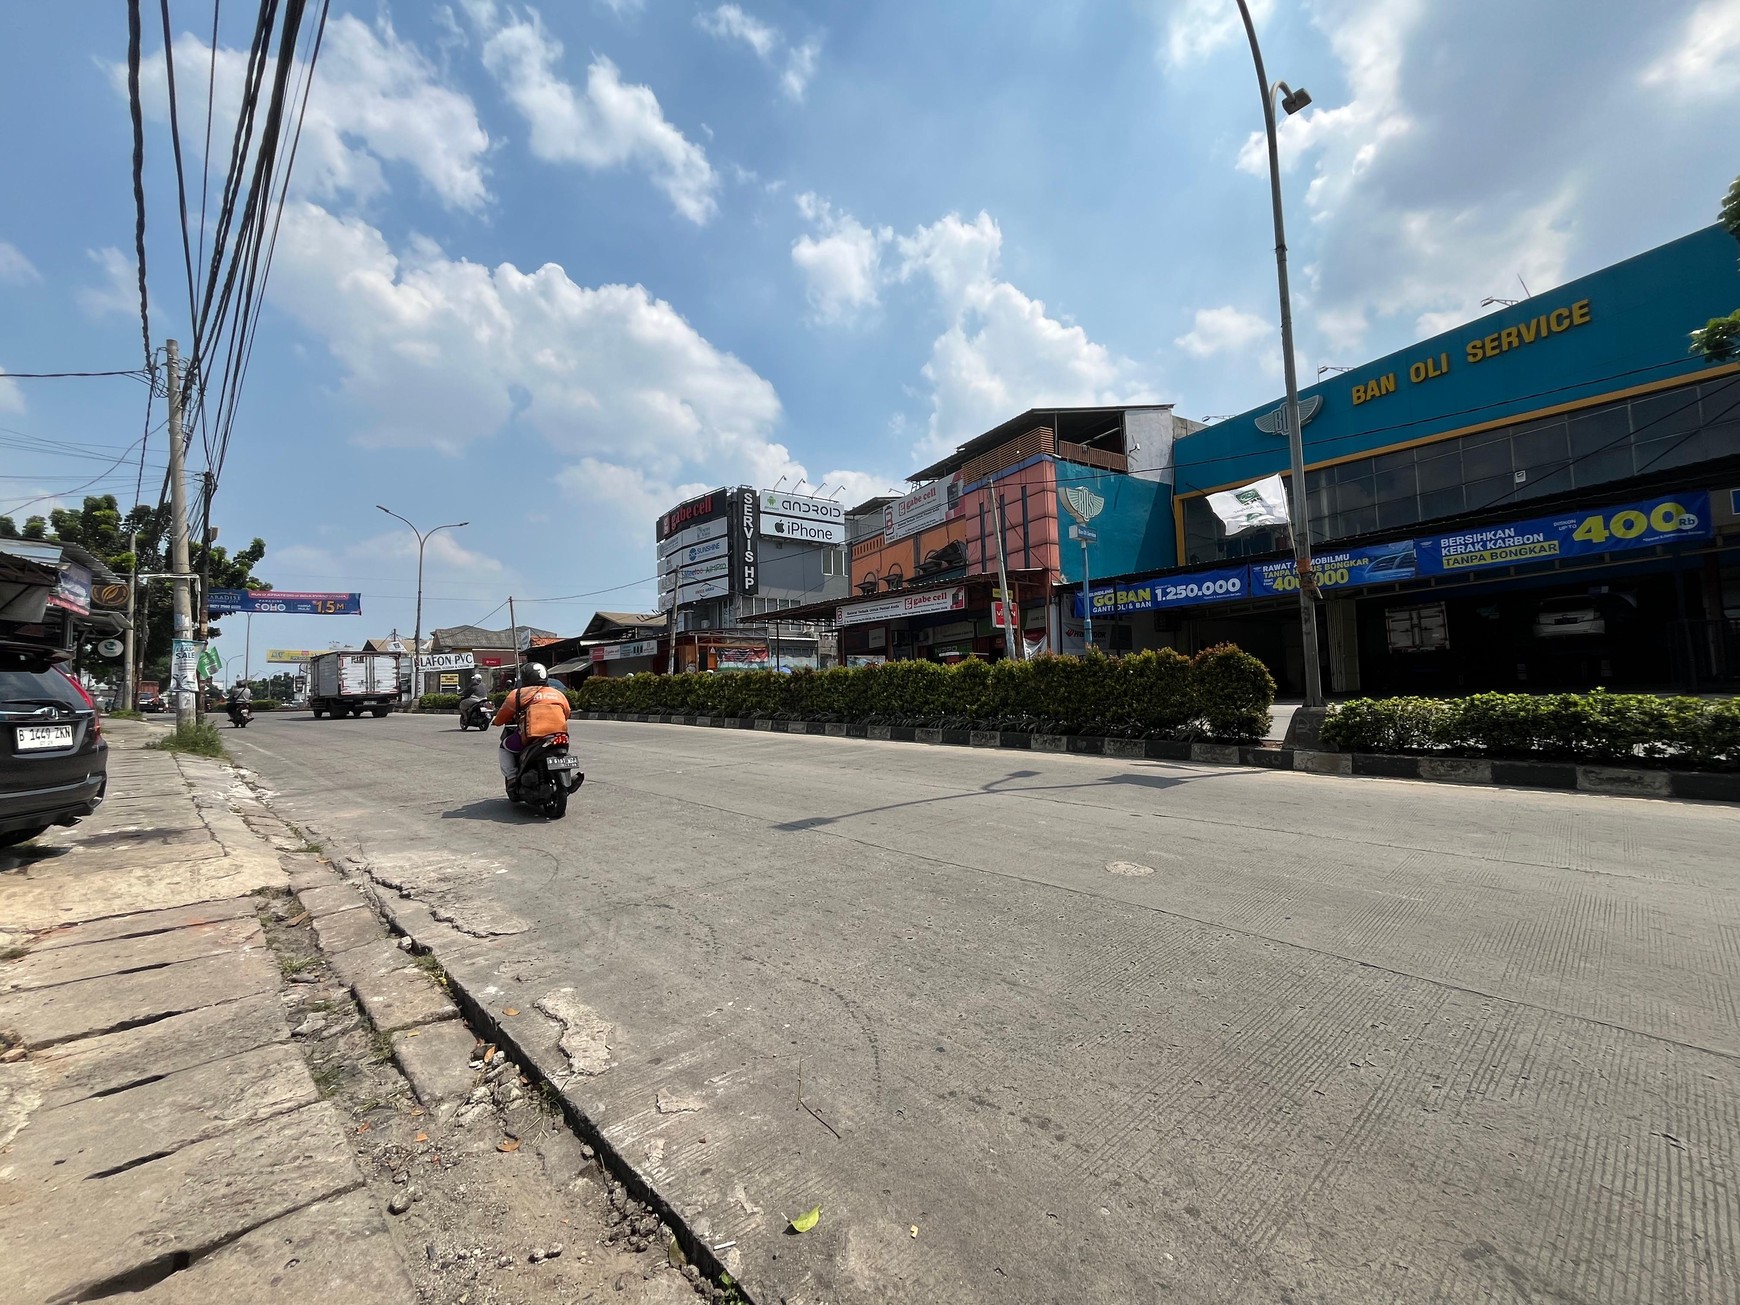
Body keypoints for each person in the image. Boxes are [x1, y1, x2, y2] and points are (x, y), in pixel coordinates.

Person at [492, 662, 571, 781]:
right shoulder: (558, 694)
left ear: (525, 678)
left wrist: (496, 722)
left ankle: (512, 777)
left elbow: (503, 715)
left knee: (504, 747)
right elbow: (567, 713)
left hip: (531, 736)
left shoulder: (518, 694)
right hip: (559, 735)